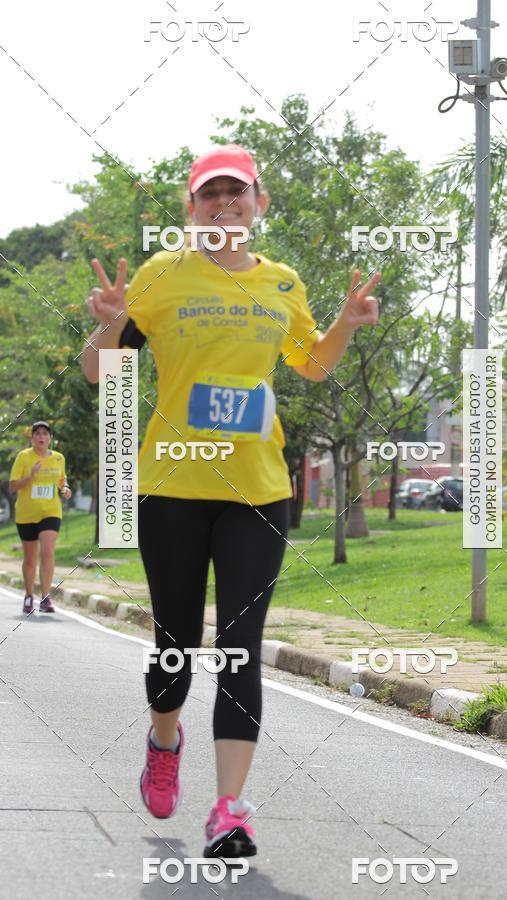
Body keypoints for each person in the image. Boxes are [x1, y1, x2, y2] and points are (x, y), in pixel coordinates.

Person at [81, 144, 380, 858]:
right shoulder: (162, 276)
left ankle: (230, 810)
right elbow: (101, 371)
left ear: (259, 205)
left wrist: (344, 322)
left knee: (240, 649)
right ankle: (163, 739)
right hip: (173, 490)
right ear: (192, 208)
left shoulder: (282, 284)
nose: (223, 204)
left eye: (236, 193)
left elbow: (311, 363)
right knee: (176, 645)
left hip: (257, 491)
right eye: (209, 194)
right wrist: (109, 321)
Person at [9, 421, 72, 614]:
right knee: (30, 558)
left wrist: (65, 488)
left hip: (50, 512)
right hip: (26, 514)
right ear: (32, 438)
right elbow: (13, 486)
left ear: (50, 438)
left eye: (45, 433)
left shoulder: (59, 458)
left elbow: (62, 479)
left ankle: (45, 598)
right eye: (37, 434)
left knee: (47, 551)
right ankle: (29, 595)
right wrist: (31, 476)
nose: (41, 437)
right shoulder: (24, 457)